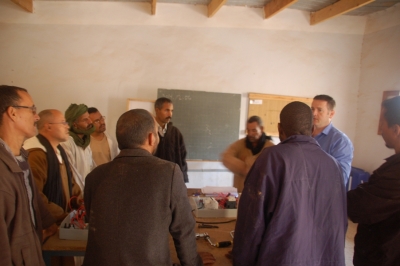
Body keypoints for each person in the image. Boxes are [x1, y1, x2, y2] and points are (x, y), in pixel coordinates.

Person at [232, 101, 347, 266]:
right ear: (312, 129)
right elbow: (340, 222)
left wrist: (241, 260)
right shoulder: (333, 164)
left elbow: (251, 222)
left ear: (280, 129)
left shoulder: (271, 159)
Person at [83, 109, 202, 266]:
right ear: (151, 138)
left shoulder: (94, 177)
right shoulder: (169, 173)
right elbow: (183, 230)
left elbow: (96, 223)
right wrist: (193, 263)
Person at [0, 85, 56, 266]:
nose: (37, 116)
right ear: (12, 113)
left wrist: (47, 223)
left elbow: (33, 201)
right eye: (32, 109)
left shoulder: (20, 158)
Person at [347, 96, 400, 266]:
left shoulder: (397, 173)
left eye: (382, 123)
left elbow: (360, 206)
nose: (381, 129)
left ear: (396, 130)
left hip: (385, 256)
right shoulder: (393, 166)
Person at [23, 109, 82, 224]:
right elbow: (35, 194)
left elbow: (71, 183)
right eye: (63, 122)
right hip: (48, 223)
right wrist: (61, 216)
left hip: (63, 219)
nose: (67, 127)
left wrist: (82, 203)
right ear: (48, 127)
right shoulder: (36, 153)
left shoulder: (59, 151)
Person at [221, 116, 274, 192]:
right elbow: (226, 157)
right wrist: (244, 168)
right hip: (241, 193)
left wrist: (249, 164)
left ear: (261, 129)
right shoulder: (240, 144)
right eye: (248, 130)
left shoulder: (270, 148)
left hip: (261, 194)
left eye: (254, 130)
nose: (250, 134)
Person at [311, 94, 354, 185]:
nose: (314, 113)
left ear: (331, 114)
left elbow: (340, 179)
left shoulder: (341, 141)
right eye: (312, 109)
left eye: (320, 110)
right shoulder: (304, 135)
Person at [61, 104, 95, 192]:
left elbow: (91, 168)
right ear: (75, 124)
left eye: (89, 118)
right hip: (75, 194)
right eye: (85, 120)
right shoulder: (67, 142)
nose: (90, 122)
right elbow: (72, 173)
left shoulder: (85, 142)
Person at [154, 97, 189, 183]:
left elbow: (182, 157)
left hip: (172, 181)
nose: (170, 114)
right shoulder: (149, 131)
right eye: (166, 110)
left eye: (171, 111)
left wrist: (182, 178)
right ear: (157, 110)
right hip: (154, 181)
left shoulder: (175, 133)